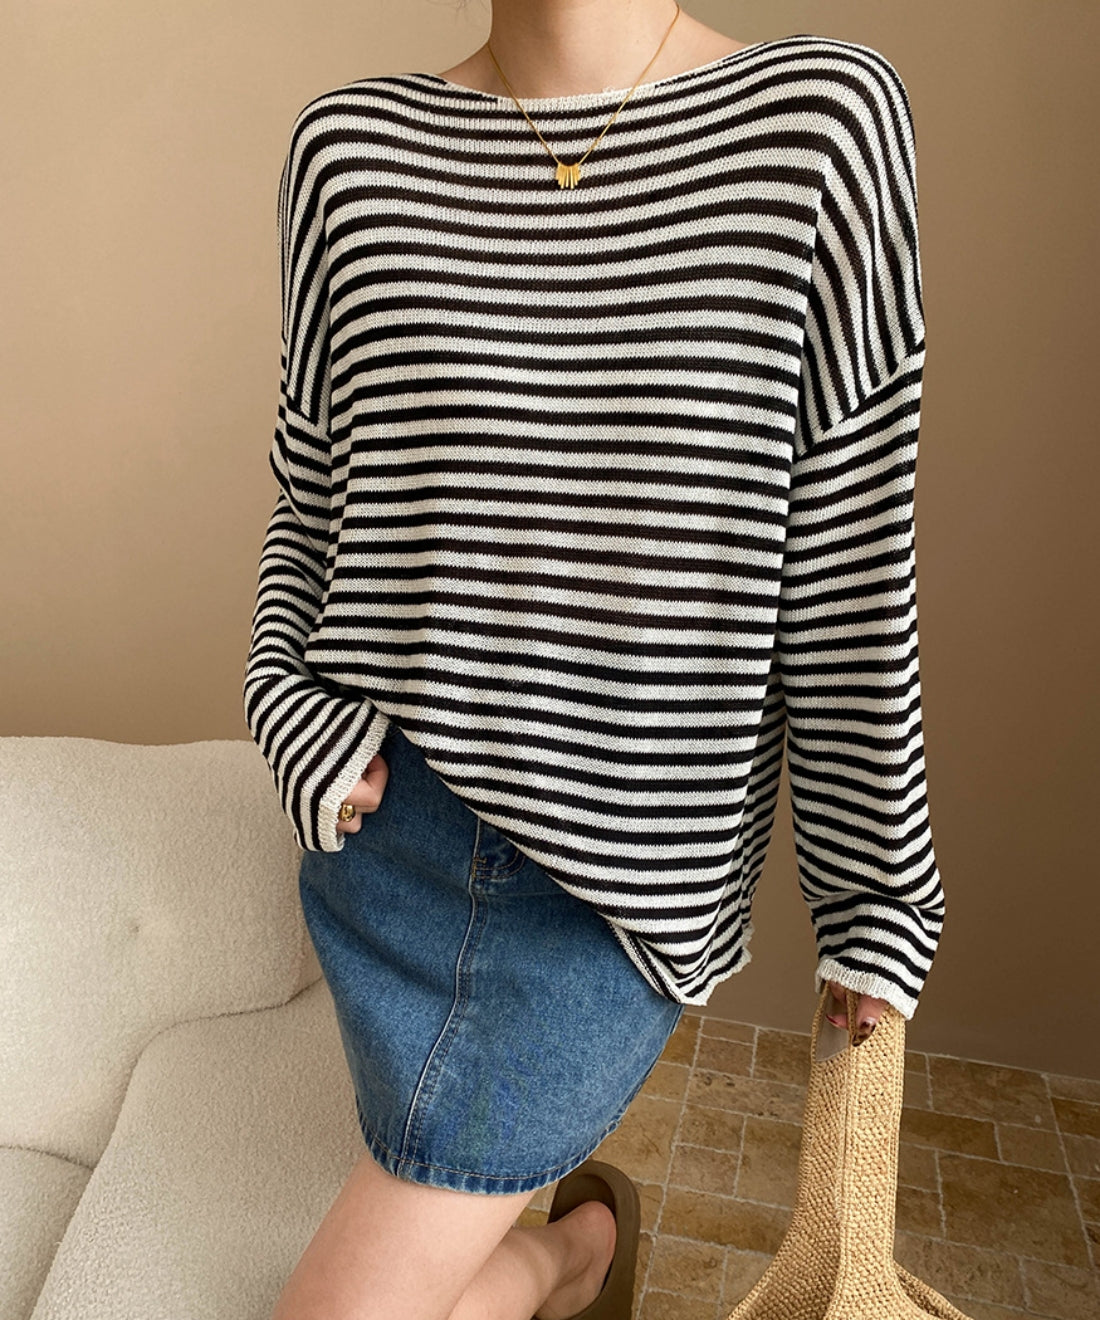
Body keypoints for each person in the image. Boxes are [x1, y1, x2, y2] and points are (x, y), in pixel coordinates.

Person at [243, 1, 940, 1316]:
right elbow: (314, 505)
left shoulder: (821, 126)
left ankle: (573, 1255)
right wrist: (292, 709)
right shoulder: (350, 149)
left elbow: (852, 557)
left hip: (604, 904)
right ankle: (577, 1259)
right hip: (389, 844)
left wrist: (874, 900)